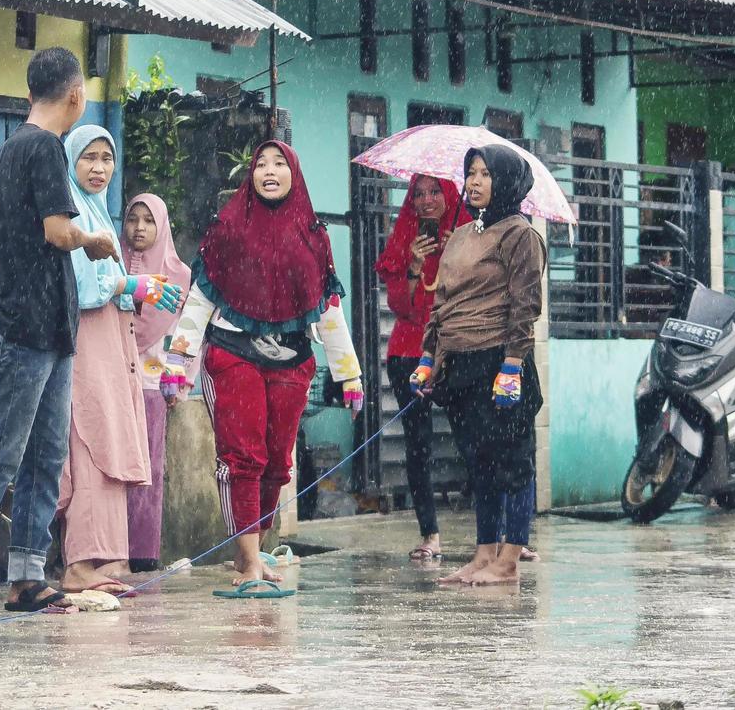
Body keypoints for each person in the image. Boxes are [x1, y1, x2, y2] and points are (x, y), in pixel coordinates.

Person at [0, 46, 120, 615]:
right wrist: (95, 242)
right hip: (28, 326)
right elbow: (57, 231)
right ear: (75, 95)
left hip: (48, 326)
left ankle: (27, 574)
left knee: (45, 453)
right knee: (5, 454)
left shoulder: (8, 149)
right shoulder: (44, 148)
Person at [165, 142, 364, 593]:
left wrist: (349, 374)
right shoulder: (229, 229)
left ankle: (251, 551)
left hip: (293, 360)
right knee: (243, 459)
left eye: (279, 164)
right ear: (250, 174)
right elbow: (201, 296)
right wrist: (178, 361)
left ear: (295, 173)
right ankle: (250, 558)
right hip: (233, 354)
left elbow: (327, 307)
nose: (269, 171)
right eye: (261, 164)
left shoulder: (313, 235)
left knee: (277, 463)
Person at [411, 144, 547, 587]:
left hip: (500, 363)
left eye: (486, 174)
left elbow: (525, 307)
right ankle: (483, 554)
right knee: (481, 465)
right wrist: (429, 358)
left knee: (513, 463)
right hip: (461, 363)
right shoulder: (462, 236)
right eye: (470, 173)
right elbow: (441, 303)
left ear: (505, 182)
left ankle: (509, 560)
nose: (474, 182)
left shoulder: (519, 235)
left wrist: (511, 365)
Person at [56, 126, 181, 596]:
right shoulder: (72, 215)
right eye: (88, 158)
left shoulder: (98, 215)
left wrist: (134, 289)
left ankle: (104, 560)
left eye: (107, 159)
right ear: (71, 160)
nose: (98, 168)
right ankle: (79, 564)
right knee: (90, 442)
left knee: (107, 443)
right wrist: (130, 285)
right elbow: (83, 287)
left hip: (113, 344)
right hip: (89, 341)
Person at [376, 176, 460, 562]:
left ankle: (503, 537)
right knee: (418, 444)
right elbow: (401, 307)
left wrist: (455, 253)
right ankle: (430, 535)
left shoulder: (467, 233)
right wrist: (413, 266)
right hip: (410, 353)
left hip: (457, 350)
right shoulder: (405, 235)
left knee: (476, 438)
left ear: (449, 195)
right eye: (419, 194)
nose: (426, 201)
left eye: (434, 192)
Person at [122, 193, 191, 573]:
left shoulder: (178, 276)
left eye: (149, 221)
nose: (139, 229)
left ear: (162, 226)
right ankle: (112, 548)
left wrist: (179, 379)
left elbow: (186, 334)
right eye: (133, 219)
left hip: (153, 383)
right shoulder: (114, 266)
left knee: (148, 467)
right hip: (114, 378)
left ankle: (143, 551)